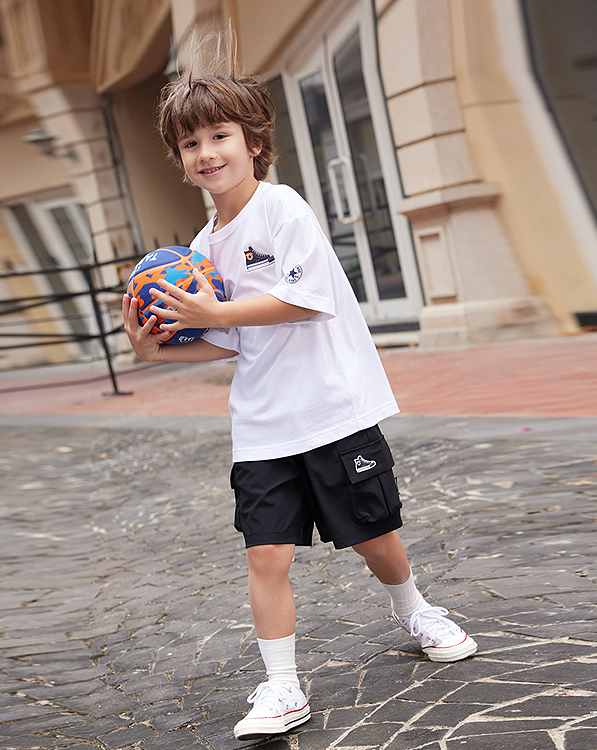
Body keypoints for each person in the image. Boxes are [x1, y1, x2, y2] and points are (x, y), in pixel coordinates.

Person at [122, 66, 477, 742]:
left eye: (219, 136)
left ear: (254, 142)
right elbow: (229, 340)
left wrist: (213, 309)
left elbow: (304, 300)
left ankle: (414, 610)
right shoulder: (200, 250)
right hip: (262, 425)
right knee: (266, 556)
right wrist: (156, 352)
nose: (206, 153)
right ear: (180, 159)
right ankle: (282, 685)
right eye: (190, 144)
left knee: (373, 536)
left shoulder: (282, 208)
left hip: (330, 409)